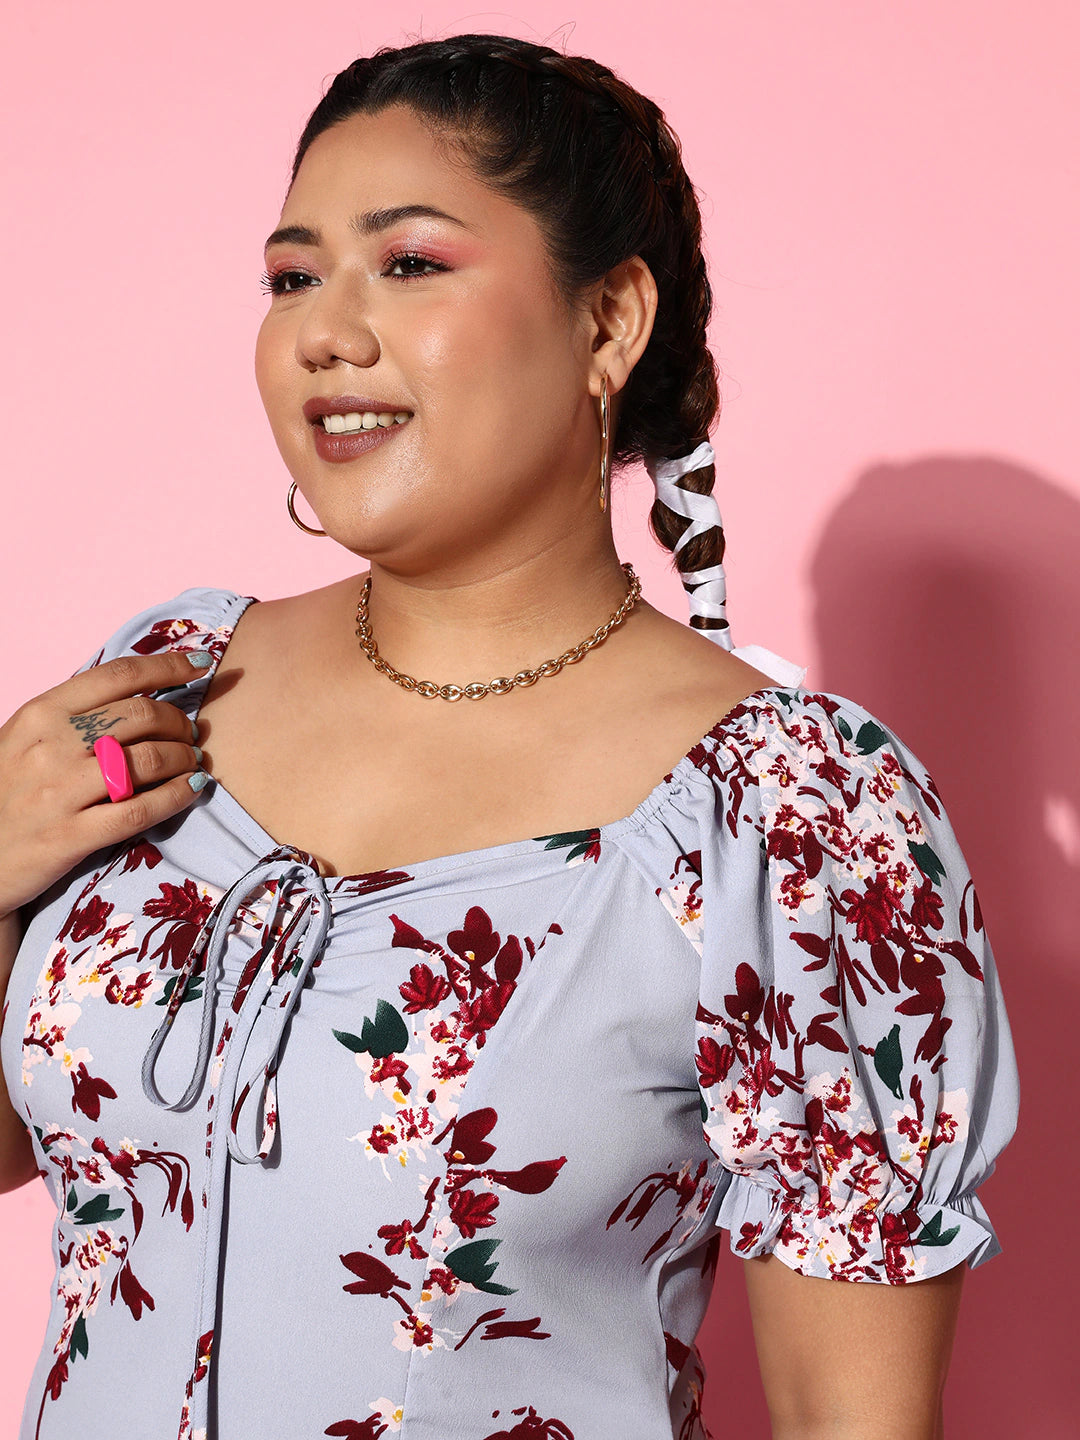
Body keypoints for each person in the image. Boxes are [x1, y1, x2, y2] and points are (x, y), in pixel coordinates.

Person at [0, 33, 1019, 1440]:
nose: (323, 331)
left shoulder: (796, 817)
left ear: (608, 324)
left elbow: (853, 1423)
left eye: (409, 263)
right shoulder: (167, 682)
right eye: (292, 278)